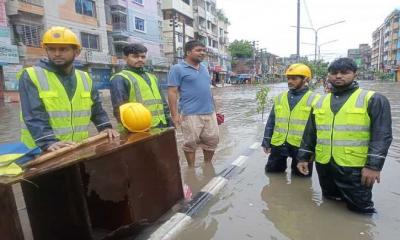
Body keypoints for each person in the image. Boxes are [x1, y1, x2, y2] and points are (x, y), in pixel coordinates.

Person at [297, 58, 392, 214]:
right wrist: (303, 158)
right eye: (334, 73)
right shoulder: (320, 101)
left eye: (344, 72)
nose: (338, 76)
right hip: (324, 165)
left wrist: (373, 166)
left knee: (361, 211)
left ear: (355, 74)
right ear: (328, 75)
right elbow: (310, 133)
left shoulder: (373, 99)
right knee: (329, 204)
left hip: (355, 168)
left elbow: (382, 136)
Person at [19, 26, 118, 151]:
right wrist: (48, 142)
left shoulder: (85, 77)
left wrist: (105, 127)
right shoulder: (31, 75)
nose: (57, 54)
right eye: (51, 49)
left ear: (76, 52)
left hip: (75, 148)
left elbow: (96, 109)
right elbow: (34, 113)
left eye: (63, 49)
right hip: (41, 151)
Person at [261, 63, 320, 176]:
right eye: (288, 78)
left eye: (294, 79)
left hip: (302, 146)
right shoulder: (280, 97)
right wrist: (267, 140)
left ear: (306, 79)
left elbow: (318, 128)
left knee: (301, 178)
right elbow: (271, 121)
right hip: (279, 143)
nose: (290, 81)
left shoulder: (316, 99)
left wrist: (312, 150)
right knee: (272, 173)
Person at [168, 40, 219, 167]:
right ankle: (191, 170)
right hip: (190, 113)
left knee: (212, 141)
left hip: (209, 112)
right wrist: (174, 116)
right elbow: (172, 92)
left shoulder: (204, 68)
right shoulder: (177, 69)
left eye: (203, 51)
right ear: (188, 52)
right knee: (190, 144)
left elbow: (208, 90)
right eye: (198, 50)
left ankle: (207, 165)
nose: (202, 53)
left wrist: (215, 110)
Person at [110, 43, 171, 129]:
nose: (140, 59)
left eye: (143, 57)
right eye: (135, 56)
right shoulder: (120, 78)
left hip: (160, 124)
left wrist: (168, 119)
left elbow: (163, 102)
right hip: (138, 129)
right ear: (125, 58)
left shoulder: (152, 77)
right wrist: (130, 130)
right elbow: (119, 109)